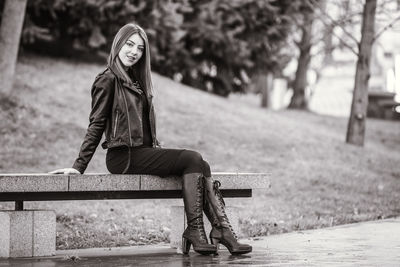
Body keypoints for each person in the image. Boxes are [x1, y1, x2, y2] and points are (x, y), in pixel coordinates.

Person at [50, 23, 251, 255]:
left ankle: (222, 230)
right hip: (123, 156)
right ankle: (198, 231)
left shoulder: (135, 80)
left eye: (139, 48)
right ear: (118, 44)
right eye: (129, 44)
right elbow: (96, 124)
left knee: (201, 165)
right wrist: (79, 166)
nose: (134, 51)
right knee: (193, 158)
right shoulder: (107, 79)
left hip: (143, 152)